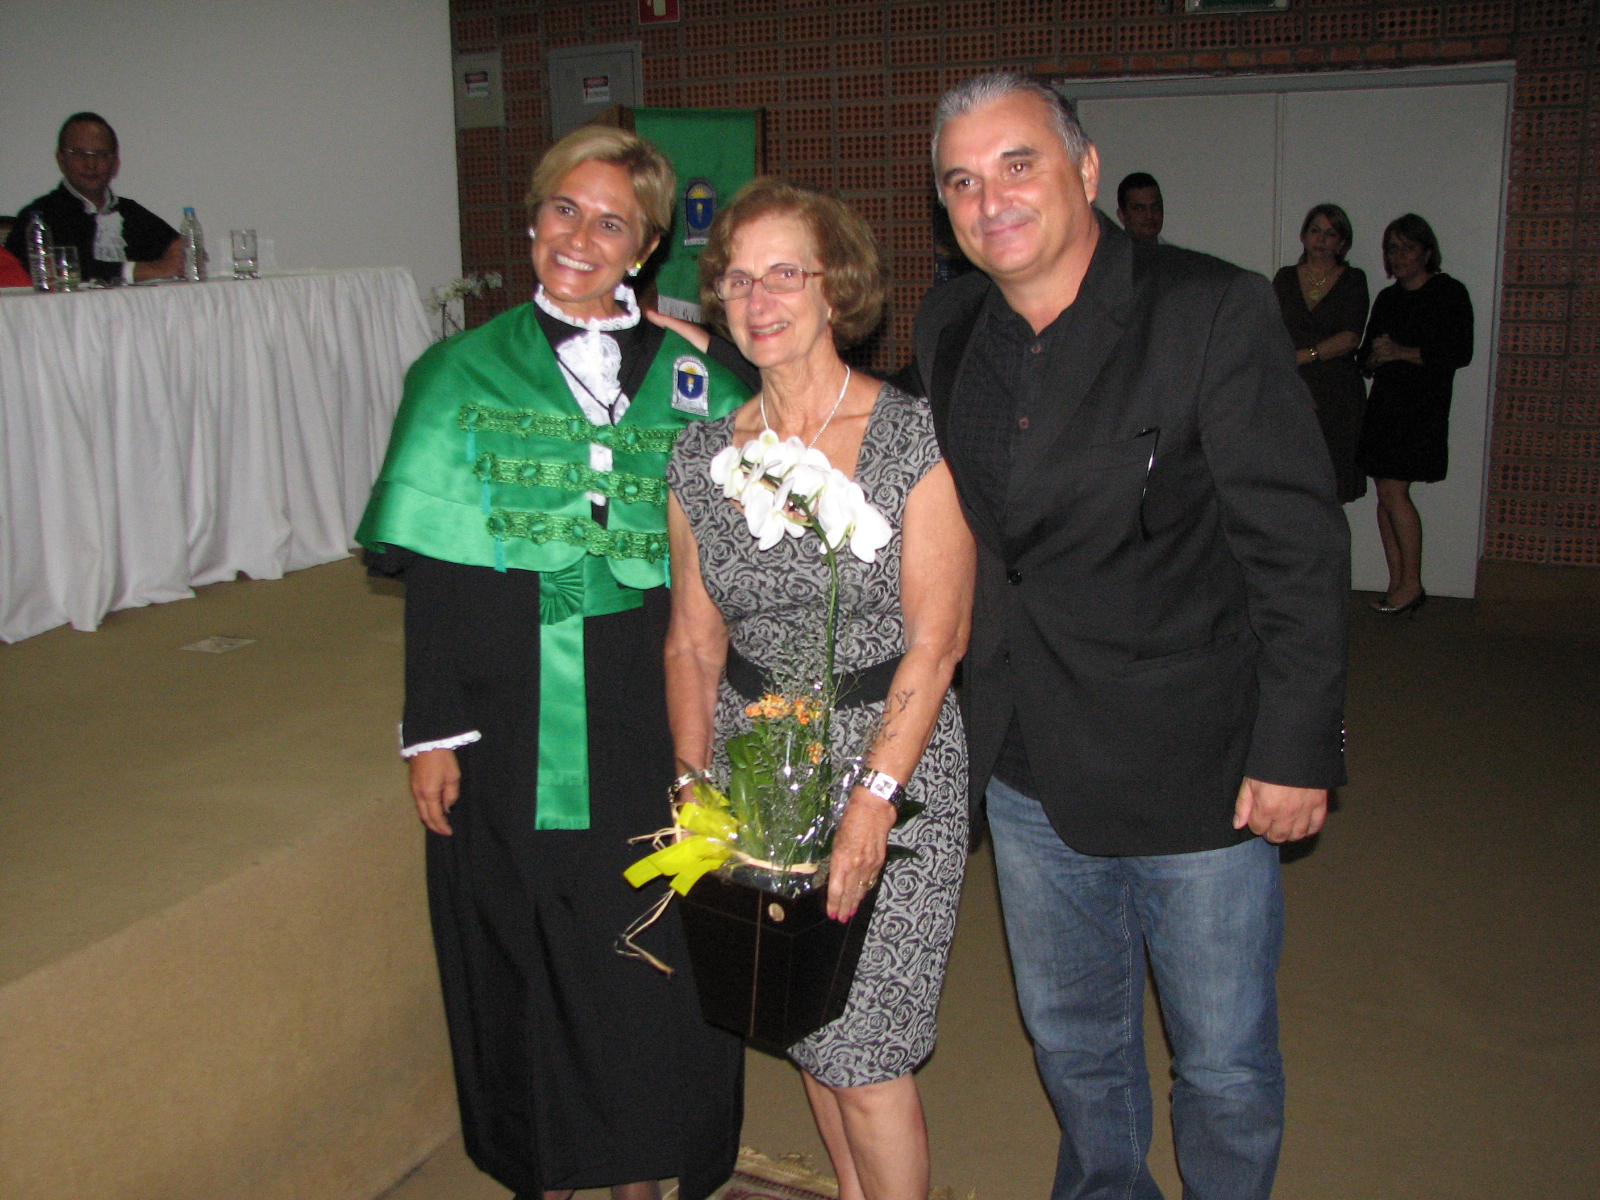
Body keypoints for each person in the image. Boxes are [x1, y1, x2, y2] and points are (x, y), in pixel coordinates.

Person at [916, 72, 1348, 1200]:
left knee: (1222, 1060)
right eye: (961, 181)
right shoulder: (950, 323)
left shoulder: (1207, 309)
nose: (990, 200)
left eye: (1017, 164)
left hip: (1196, 764)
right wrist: (726, 363)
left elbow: (1296, 549)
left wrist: (1295, 747)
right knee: (1073, 1042)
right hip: (1026, 760)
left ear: (1085, 168)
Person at [355, 124, 755, 1200]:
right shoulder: (460, 372)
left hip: (657, 694)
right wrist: (432, 730)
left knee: (659, 930)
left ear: (647, 246)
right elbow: (436, 570)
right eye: (563, 209)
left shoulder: (698, 378)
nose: (580, 237)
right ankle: (553, 1162)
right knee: (528, 939)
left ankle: (648, 1163)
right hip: (510, 704)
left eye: (611, 222)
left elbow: (744, 565)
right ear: (533, 217)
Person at [663, 178, 975, 1200]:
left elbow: (937, 642)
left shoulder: (910, 437)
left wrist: (874, 798)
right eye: (737, 279)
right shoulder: (700, 456)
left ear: (835, 287)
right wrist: (693, 782)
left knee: (868, 1050)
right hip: (757, 758)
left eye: (783, 273)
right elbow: (692, 643)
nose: (757, 299)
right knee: (802, 1011)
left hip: (896, 760)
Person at [1356, 213, 1474, 615]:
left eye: (1408, 247)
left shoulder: (1449, 292)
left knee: (1394, 491)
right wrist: (1376, 356)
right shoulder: (1388, 298)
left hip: (1421, 406)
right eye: (1393, 248)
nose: (1399, 255)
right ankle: (1398, 582)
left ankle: (1412, 584)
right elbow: (1364, 360)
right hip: (1385, 403)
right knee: (1384, 493)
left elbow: (1459, 352)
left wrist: (1401, 352)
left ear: (1426, 252)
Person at [4, 113, 183, 284]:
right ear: (61, 159)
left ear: (115, 163)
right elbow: (60, 270)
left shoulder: (132, 213)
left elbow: (178, 252)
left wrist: (180, 256)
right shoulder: (38, 217)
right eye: (79, 154)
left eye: (101, 155)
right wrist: (145, 270)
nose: (90, 164)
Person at [1272, 203, 1371, 503]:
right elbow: (1269, 332)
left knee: (1331, 488)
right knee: (1290, 486)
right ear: (1303, 236)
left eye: (1330, 234)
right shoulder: (1285, 278)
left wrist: (1305, 356)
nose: (1321, 239)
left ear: (1342, 243)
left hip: (1337, 395)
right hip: (1292, 388)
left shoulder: (1353, 280)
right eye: (1315, 231)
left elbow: (1351, 337)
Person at [1115, 171, 1164, 245]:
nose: (1150, 215)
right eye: (1140, 209)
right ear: (1122, 215)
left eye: (1155, 207)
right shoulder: (1106, 252)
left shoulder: (1175, 252)